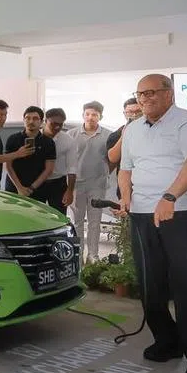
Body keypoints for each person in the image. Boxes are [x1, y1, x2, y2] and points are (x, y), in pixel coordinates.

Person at [118, 74, 187, 373]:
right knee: (150, 284)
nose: (145, 98)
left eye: (151, 92)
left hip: (182, 214)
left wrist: (169, 196)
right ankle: (167, 340)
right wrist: (126, 198)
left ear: (168, 94)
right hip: (142, 214)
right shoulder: (132, 129)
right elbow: (125, 169)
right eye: (140, 94)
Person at [69, 101, 111, 261]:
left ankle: (93, 255)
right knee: (78, 222)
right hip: (76, 185)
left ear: (100, 116)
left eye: (94, 114)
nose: (90, 117)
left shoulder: (107, 135)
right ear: (83, 115)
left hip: (97, 185)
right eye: (87, 114)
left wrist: (106, 173)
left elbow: (112, 158)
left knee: (95, 221)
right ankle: (78, 255)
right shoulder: (72, 134)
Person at [3, 106, 56, 203]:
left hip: (37, 189)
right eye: (27, 118)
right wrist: (20, 188)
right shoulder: (13, 139)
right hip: (14, 187)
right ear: (23, 120)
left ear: (41, 122)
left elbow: (49, 169)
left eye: (35, 118)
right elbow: (8, 165)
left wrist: (31, 188)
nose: (31, 121)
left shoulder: (48, 142)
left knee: (36, 217)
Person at [42, 108, 77, 214]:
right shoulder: (35, 137)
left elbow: (72, 167)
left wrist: (70, 191)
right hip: (37, 183)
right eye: (53, 124)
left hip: (57, 184)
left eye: (60, 124)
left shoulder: (68, 140)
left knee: (59, 216)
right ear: (45, 121)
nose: (57, 127)